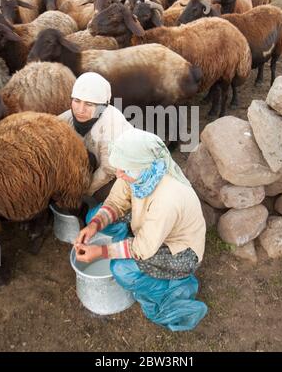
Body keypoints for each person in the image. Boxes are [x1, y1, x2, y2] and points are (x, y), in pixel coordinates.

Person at [74, 128, 207, 331]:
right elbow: (117, 200)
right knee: (94, 215)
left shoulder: (167, 198)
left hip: (180, 249)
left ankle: (172, 287)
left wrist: (100, 252)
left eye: (123, 170)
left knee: (122, 270)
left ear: (140, 167)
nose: (119, 174)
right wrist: (95, 226)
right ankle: (123, 244)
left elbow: (143, 248)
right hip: (151, 227)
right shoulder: (141, 171)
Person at [59, 72, 132, 202]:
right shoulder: (67, 118)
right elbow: (48, 130)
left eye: (89, 104)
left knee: (104, 194)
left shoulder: (112, 124)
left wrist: (80, 193)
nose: (80, 110)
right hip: (94, 165)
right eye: (77, 101)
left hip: (120, 173)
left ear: (102, 107)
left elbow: (108, 169)